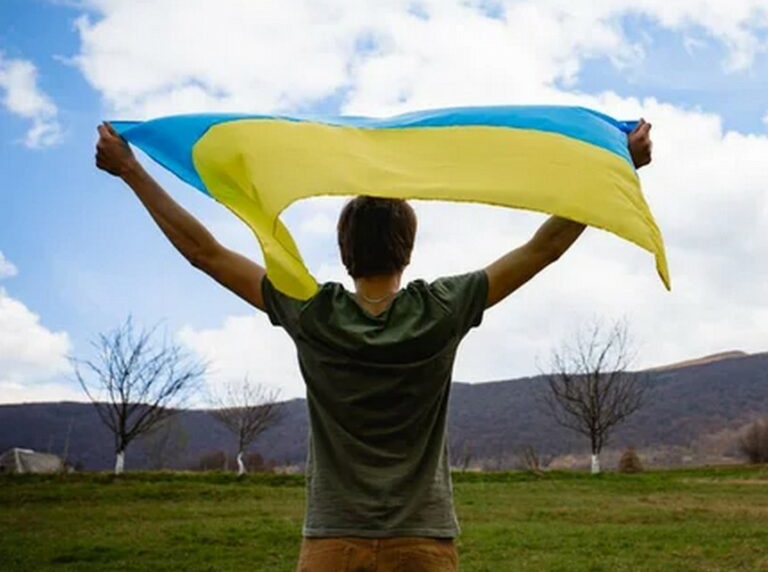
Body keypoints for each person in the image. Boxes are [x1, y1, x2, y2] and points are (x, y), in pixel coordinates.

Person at [94, 118, 653, 571]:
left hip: (332, 544)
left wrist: (133, 172)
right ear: (407, 251)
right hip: (424, 544)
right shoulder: (441, 309)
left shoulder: (311, 311)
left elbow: (206, 253)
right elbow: (541, 250)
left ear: (344, 253)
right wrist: (616, 168)